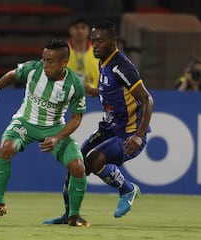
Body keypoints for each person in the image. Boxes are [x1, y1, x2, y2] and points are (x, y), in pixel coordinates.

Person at [43, 20, 154, 224]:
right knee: (76, 163)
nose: (95, 45)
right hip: (109, 128)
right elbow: (100, 91)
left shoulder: (122, 66)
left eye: (100, 41)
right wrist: (79, 84)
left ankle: (128, 190)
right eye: (93, 41)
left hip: (127, 133)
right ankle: (69, 215)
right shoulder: (104, 62)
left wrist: (138, 135)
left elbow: (147, 100)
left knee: (95, 160)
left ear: (114, 41)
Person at [0, 39, 90, 227]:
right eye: (44, 59)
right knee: (6, 148)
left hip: (54, 127)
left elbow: (76, 118)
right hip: (25, 122)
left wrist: (58, 137)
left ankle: (73, 216)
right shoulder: (34, 69)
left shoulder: (74, 85)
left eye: (50, 61)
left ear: (64, 63)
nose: (45, 64)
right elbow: (13, 74)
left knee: (78, 167)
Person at [67, 16, 99, 88]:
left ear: (89, 31)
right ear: (70, 30)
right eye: (76, 28)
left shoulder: (97, 51)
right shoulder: (61, 51)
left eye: (83, 28)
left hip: (92, 95)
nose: (80, 31)